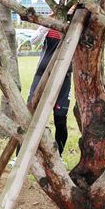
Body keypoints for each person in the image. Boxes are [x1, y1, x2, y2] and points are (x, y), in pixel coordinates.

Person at [27, 19, 72, 156]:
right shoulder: (49, 25)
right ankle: (20, 155)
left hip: (64, 76)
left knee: (60, 119)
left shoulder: (75, 27)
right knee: (30, 115)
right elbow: (33, 40)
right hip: (42, 75)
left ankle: (59, 156)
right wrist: (47, 24)